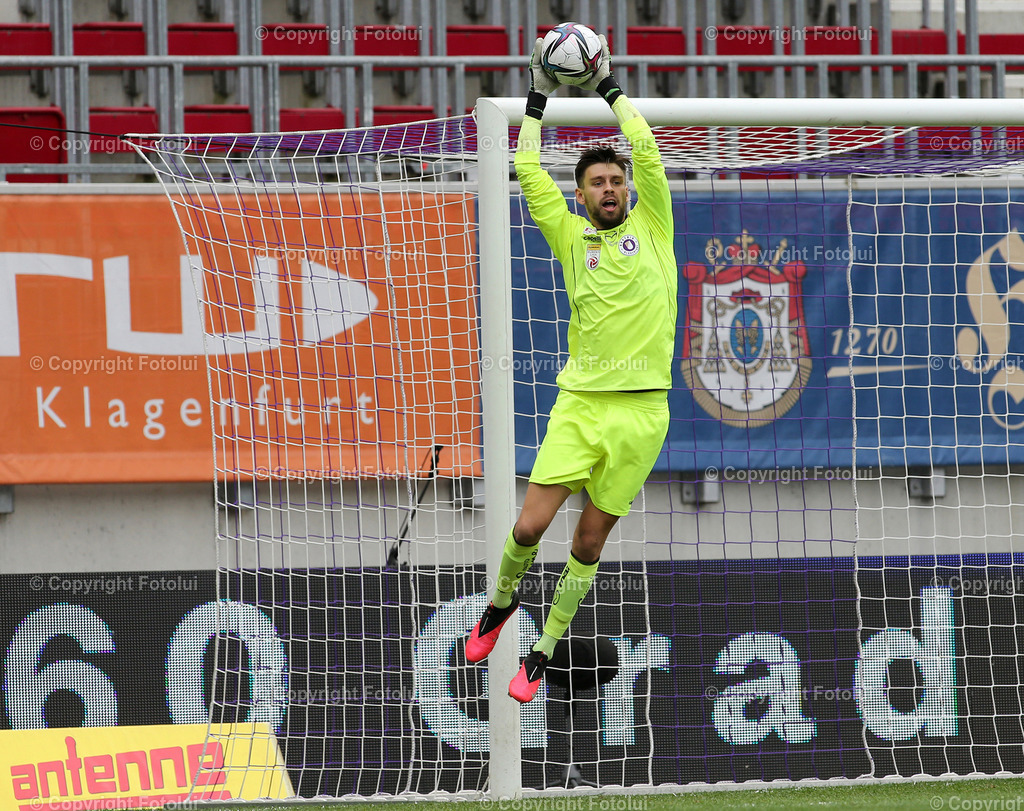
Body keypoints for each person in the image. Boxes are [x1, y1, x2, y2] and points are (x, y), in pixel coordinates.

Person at [466, 34, 677, 703]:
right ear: (581, 194)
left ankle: (542, 652)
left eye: (617, 180)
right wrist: (538, 93)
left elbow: (646, 147)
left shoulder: (656, 226)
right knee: (528, 527)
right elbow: (527, 169)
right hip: (581, 405)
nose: (610, 188)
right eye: (597, 182)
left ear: (628, 189)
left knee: (588, 542)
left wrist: (608, 86)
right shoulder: (569, 235)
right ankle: (499, 607)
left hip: (643, 413)